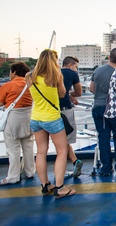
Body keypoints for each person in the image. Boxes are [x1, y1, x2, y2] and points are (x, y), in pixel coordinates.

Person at [26, 49, 76, 198]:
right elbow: (62, 94)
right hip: (52, 118)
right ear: (53, 61)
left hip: (36, 118)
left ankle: (45, 185)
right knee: (61, 152)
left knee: (41, 152)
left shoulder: (29, 77)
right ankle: (60, 187)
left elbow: (32, 93)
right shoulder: (56, 76)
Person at [89, 48, 116, 176]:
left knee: (103, 137)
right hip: (115, 107)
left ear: (109, 57)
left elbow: (92, 89)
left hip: (98, 107)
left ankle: (106, 168)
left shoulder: (98, 70)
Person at [0, 62, 35, 185]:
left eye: (10, 72)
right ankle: (30, 171)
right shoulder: (30, 84)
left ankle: (13, 176)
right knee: (28, 146)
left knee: (13, 149)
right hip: (29, 117)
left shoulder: (8, 85)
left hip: (13, 118)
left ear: (14, 72)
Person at [60, 56, 83, 178]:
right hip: (65, 110)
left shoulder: (54, 72)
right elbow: (79, 92)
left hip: (51, 110)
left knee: (60, 141)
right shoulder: (71, 73)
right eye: (76, 67)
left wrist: (67, 94)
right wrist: (70, 95)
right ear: (70, 65)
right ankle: (67, 166)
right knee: (65, 140)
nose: (76, 70)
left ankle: (74, 161)